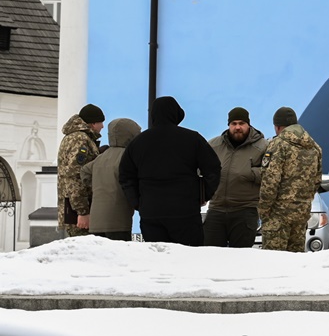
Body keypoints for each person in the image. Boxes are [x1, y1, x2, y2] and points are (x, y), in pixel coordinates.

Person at [118, 96, 222, 247]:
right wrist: (202, 195)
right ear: (176, 114)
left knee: (158, 260)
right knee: (187, 260)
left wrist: (138, 203)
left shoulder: (138, 142)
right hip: (185, 212)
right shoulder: (192, 139)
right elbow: (213, 169)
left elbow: (126, 176)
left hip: (151, 213)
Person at [257, 107, 324, 253]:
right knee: (295, 263)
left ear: (278, 127)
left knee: (273, 261)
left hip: (277, 216)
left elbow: (270, 181)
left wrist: (264, 210)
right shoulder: (314, 147)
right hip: (301, 215)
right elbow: (317, 180)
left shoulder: (277, 145)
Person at [205, 107, 268, 248]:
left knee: (241, 259)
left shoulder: (263, 146)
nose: (237, 127)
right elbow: (200, 170)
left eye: (241, 123)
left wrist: (249, 172)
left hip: (245, 210)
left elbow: (271, 174)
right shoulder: (214, 145)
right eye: (234, 124)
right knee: (209, 257)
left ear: (248, 124)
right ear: (228, 125)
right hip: (216, 210)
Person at [56, 103, 104, 238]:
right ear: (92, 123)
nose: (102, 127)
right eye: (101, 122)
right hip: (78, 210)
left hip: (73, 206)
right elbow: (75, 176)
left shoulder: (74, 137)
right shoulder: (80, 139)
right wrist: (82, 211)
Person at [87, 118, 140, 241]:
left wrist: (95, 186)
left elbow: (84, 172)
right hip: (118, 219)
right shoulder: (128, 156)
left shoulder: (102, 157)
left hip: (96, 220)